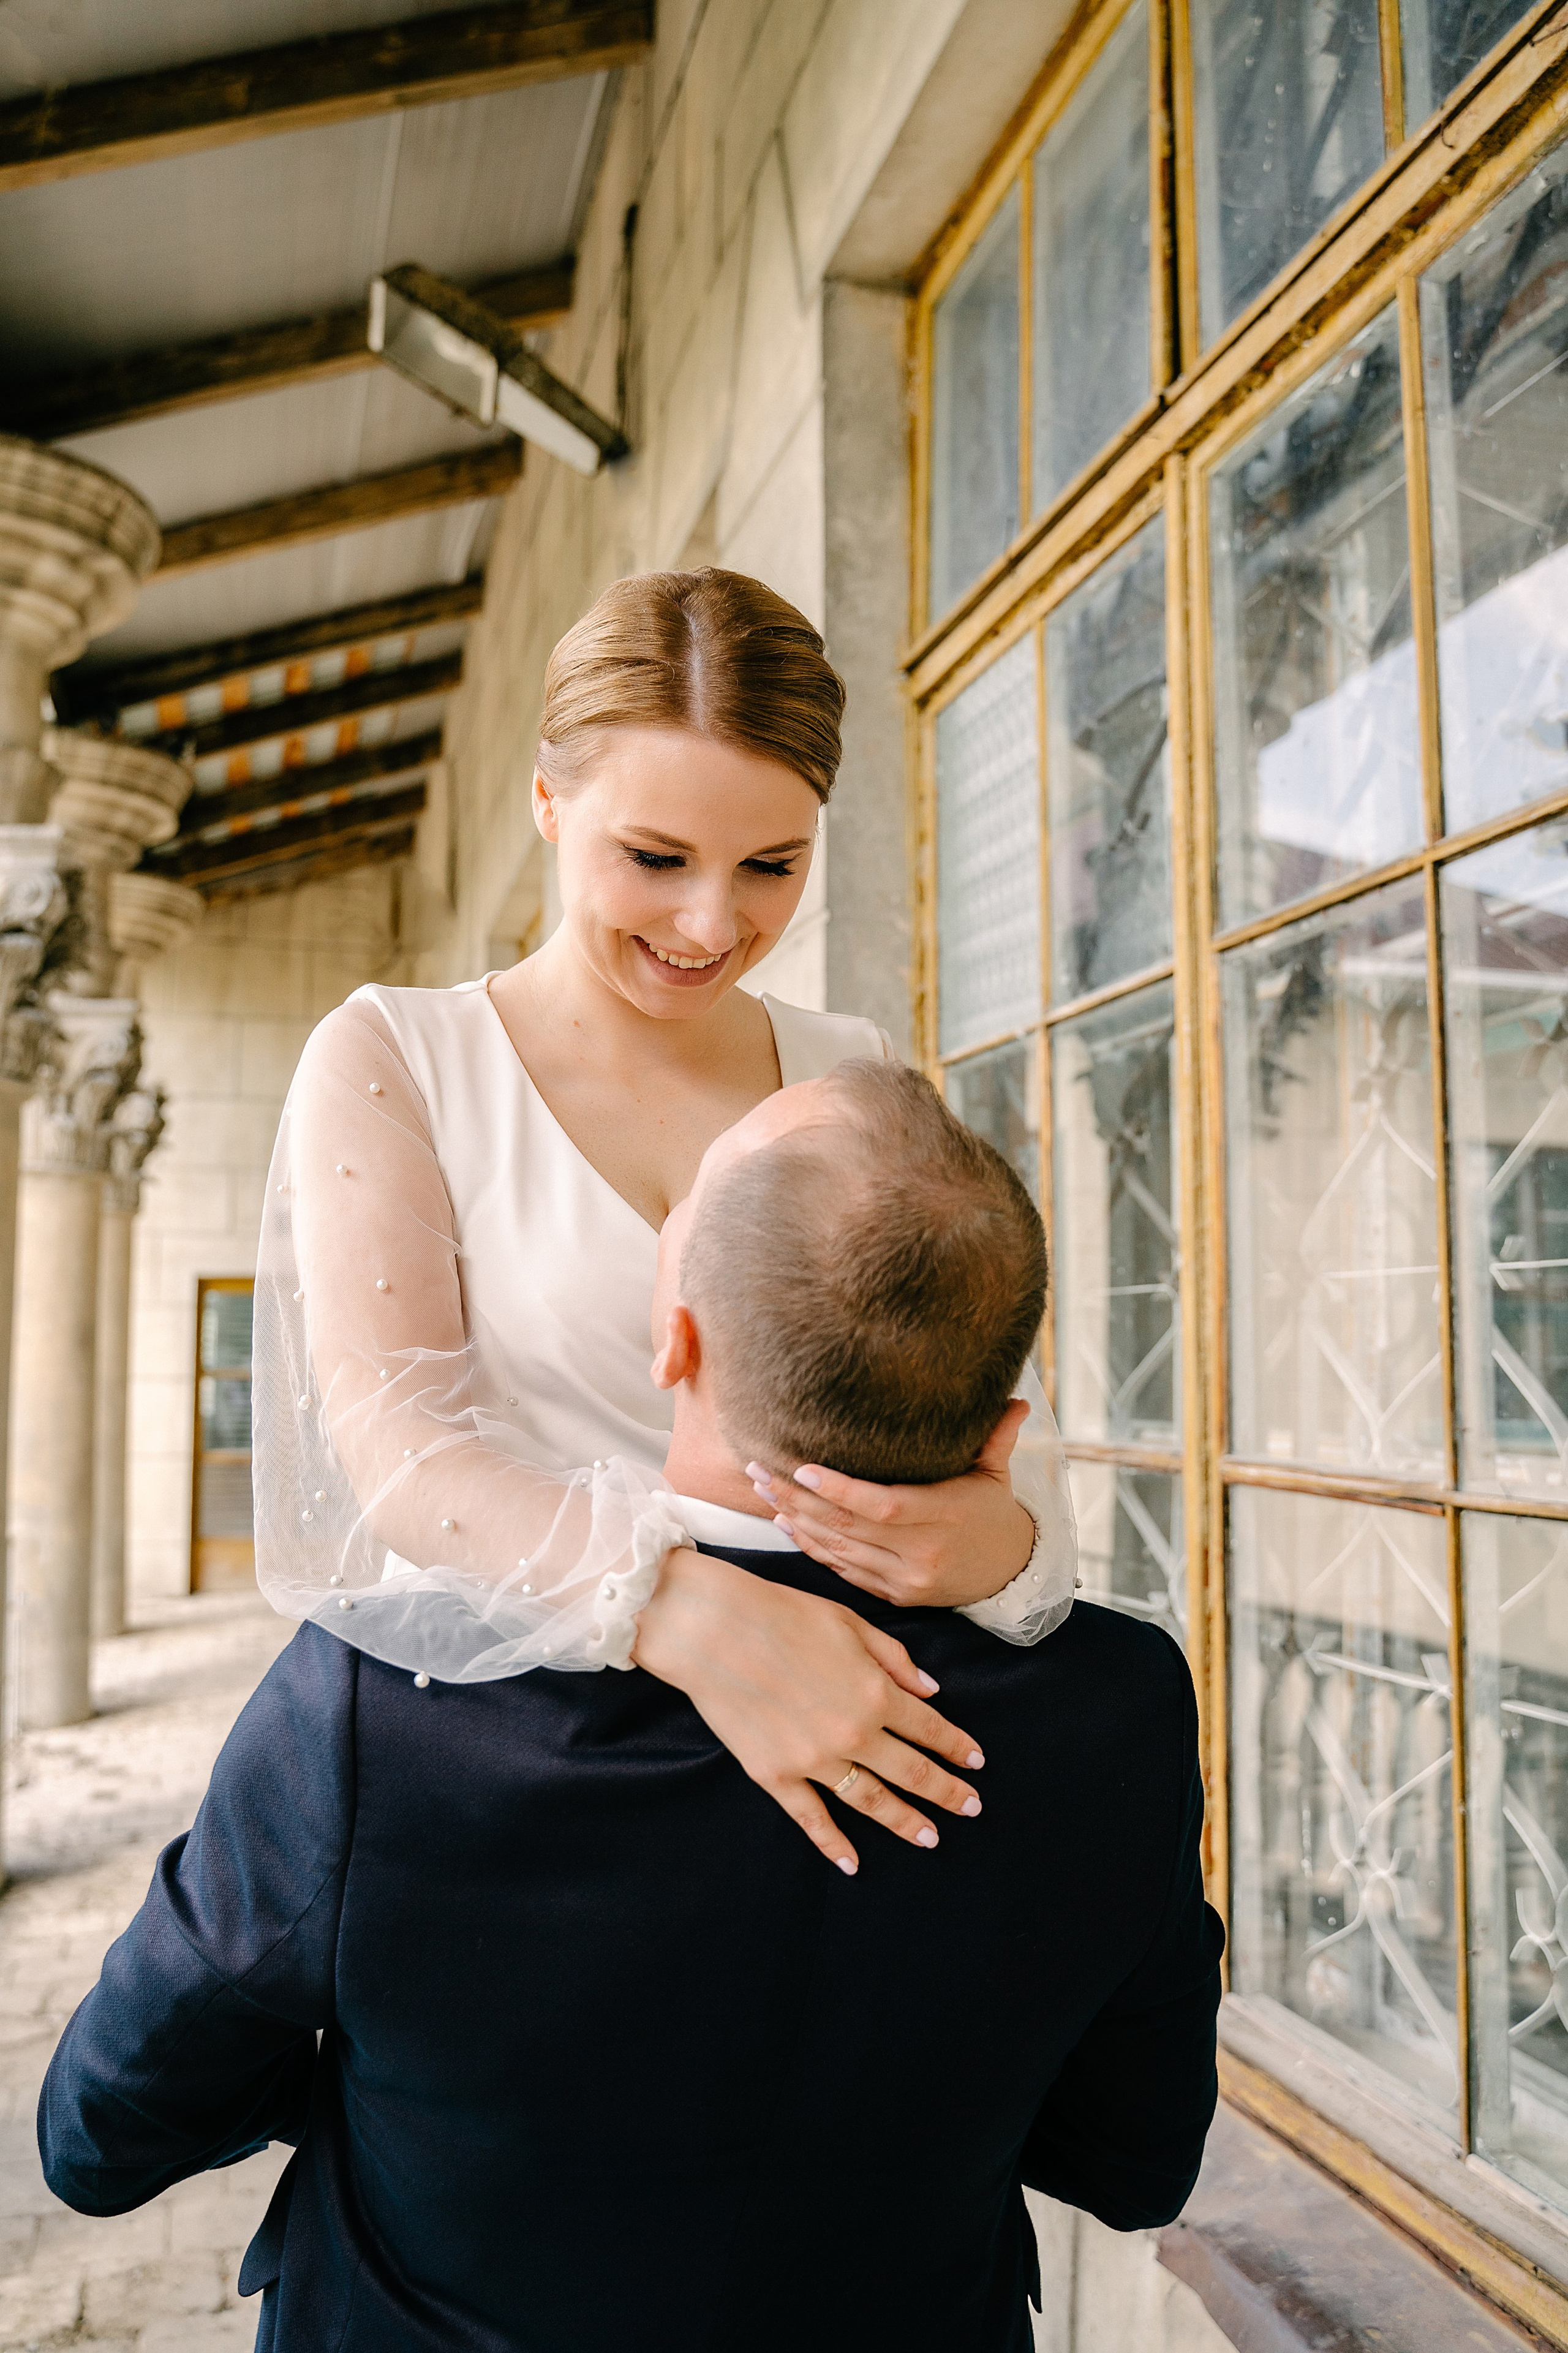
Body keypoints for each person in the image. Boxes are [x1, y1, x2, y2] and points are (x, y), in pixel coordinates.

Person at [40, 1060, 1223, 2353]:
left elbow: (102, 2132)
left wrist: (383, 2077)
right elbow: (1131, 2159)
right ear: (1003, 1432)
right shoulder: (1123, 1707)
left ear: (672, 1338)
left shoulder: (385, 1698)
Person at [256, 566, 1078, 1871]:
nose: (711, 923)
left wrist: (992, 1538)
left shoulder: (846, 1061)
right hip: (515, 1743)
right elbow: (394, 1444)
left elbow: (944, 1399)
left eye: (771, 865)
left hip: (841, 1730)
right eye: (654, 858)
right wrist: (686, 1613)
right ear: (545, 799)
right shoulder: (392, 1056)